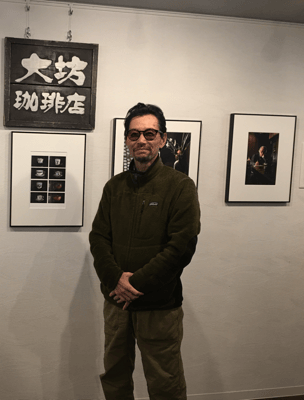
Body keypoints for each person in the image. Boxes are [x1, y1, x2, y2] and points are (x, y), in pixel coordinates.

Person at [89, 103, 201, 400]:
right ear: (127, 140)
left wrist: (135, 284)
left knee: (165, 381)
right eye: (134, 134)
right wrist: (116, 281)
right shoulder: (114, 187)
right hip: (116, 302)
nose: (141, 140)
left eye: (149, 134)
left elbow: (181, 247)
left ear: (162, 139)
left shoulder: (180, 186)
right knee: (114, 375)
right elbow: (98, 237)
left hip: (159, 305)